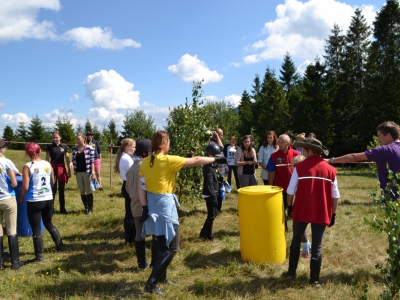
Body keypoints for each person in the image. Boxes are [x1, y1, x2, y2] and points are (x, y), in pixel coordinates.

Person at [138, 130, 227, 295]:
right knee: (171, 247)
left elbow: (141, 186)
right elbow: (196, 160)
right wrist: (216, 158)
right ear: (164, 143)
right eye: (169, 141)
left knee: (159, 243)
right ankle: (151, 284)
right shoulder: (167, 160)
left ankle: (161, 278)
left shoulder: (145, 162)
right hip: (164, 206)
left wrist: (144, 207)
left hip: (153, 205)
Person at [283, 138, 339, 285]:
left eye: (304, 150)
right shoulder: (331, 170)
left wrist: (290, 207)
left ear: (308, 150)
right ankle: (314, 280)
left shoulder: (299, 167)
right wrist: (333, 214)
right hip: (321, 211)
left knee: (296, 240)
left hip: (301, 209)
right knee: (317, 245)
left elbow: (290, 190)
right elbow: (335, 196)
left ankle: (291, 273)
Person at [19, 142, 65, 262]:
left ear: (28, 153)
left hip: (35, 200)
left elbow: (25, 187)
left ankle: (39, 256)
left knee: (36, 229)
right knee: (49, 223)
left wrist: (21, 197)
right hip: (48, 198)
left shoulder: (28, 166)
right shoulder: (48, 164)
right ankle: (60, 246)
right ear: (40, 151)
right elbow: (53, 181)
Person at [328, 121, 400, 196]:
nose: (378, 139)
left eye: (379, 135)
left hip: (393, 198)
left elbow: (353, 157)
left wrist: (331, 160)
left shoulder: (384, 150)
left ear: (388, 135)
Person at [126, 139, 152, 269]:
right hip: (146, 205)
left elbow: (126, 189)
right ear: (145, 153)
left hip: (134, 205)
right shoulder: (145, 167)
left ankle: (141, 263)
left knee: (139, 234)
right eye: (150, 151)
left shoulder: (131, 168)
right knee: (156, 233)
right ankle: (154, 262)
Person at [0, 139, 23, 270]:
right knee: (11, 229)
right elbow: (14, 183)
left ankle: (0, 262)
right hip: (8, 199)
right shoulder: (7, 162)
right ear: (2, 150)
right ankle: (15, 262)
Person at [114, 138, 136, 246]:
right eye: (133, 147)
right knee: (130, 214)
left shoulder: (125, 157)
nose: (134, 149)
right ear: (127, 148)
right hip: (129, 185)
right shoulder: (126, 159)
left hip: (126, 184)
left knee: (129, 213)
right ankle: (130, 238)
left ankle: (129, 238)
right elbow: (135, 172)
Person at [199, 143, 223, 241]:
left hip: (212, 193)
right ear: (210, 155)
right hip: (210, 194)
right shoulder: (208, 168)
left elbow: (212, 181)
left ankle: (203, 233)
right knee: (212, 215)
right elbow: (209, 184)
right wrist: (213, 197)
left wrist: (220, 183)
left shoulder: (211, 166)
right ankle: (208, 236)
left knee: (212, 214)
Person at [46, 130, 73, 214]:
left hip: (61, 169)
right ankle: (51, 209)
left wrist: (69, 171)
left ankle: (62, 209)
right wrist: (46, 172)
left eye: (56, 137)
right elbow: (47, 160)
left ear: (60, 137)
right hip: (52, 168)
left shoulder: (64, 147)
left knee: (62, 190)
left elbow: (67, 159)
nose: (55, 139)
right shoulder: (49, 147)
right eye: (53, 137)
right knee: (53, 189)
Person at [290, 155, 312, 259]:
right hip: (300, 203)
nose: (291, 167)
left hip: (303, 205)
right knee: (300, 228)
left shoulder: (302, 176)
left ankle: (306, 249)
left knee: (299, 227)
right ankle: (308, 246)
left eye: (293, 165)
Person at [72, 133, 96, 214]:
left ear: (83, 139)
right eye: (76, 139)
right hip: (78, 172)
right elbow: (73, 159)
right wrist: (71, 163)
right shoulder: (74, 149)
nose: (77, 141)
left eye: (79, 139)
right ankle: (86, 207)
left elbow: (92, 162)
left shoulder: (89, 148)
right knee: (82, 190)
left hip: (87, 172)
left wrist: (93, 173)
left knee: (88, 190)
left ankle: (90, 209)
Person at [210, 128, 228, 211]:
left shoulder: (217, 141)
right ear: (216, 134)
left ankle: (218, 207)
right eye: (220, 134)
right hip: (215, 170)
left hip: (220, 170)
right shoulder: (212, 143)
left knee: (220, 186)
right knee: (215, 188)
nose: (222, 136)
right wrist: (217, 137)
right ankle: (215, 207)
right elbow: (221, 148)